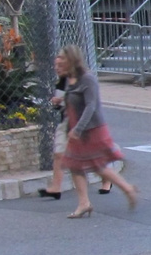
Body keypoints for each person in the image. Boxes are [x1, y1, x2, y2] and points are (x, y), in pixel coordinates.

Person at [59, 45, 138, 218]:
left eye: (62, 58)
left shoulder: (87, 79)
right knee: (75, 165)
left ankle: (127, 189)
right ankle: (84, 203)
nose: (58, 61)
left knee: (97, 165)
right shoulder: (68, 79)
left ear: (72, 59)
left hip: (91, 130)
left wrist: (78, 129)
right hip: (77, 131)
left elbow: (91, 106)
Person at [38, 64, 110, 200]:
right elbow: (61, 107)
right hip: (65, 122)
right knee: (59, 154)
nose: (57, 68)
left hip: (81, 124)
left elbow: (87, 104)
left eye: (60, 65)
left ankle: (106, 179)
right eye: (56, 65)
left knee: (89, 156)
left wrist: (63, 101)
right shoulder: (62, 82)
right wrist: (57, 103)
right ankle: (56, 188)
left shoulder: (84, 80)